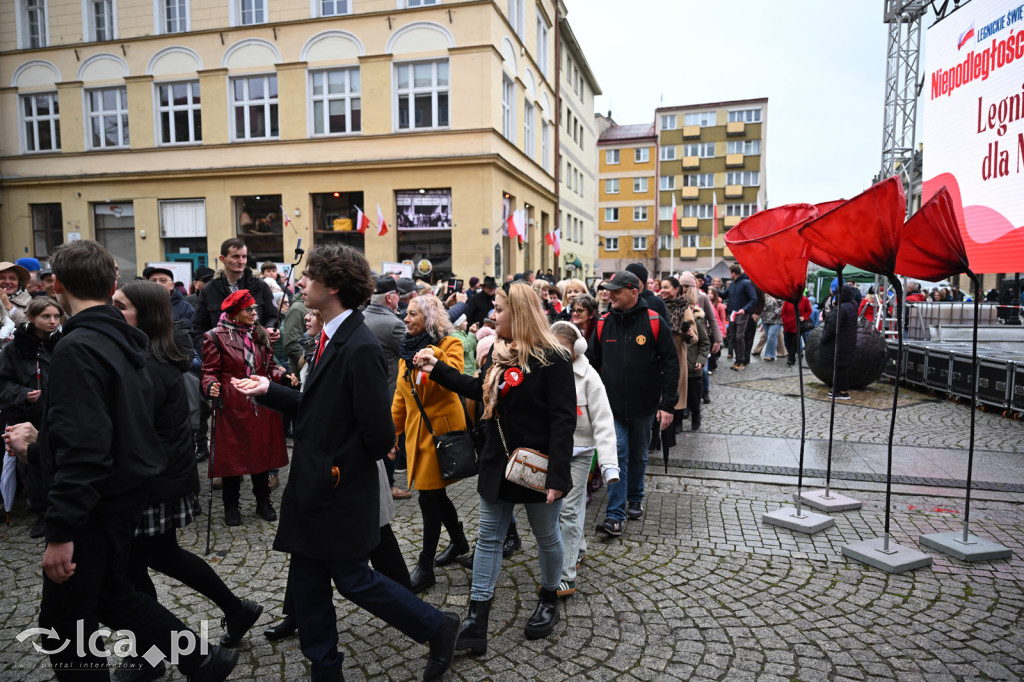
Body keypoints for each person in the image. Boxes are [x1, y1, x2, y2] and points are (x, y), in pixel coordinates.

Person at [7, 240, 237, 681]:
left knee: (66, 625)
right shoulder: (121, 340)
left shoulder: (80, 347)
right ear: (111, 283)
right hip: (121, 496)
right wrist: (43, 442)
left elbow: (87, 446)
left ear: (56, 285)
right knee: (112, 595)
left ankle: (201, 660)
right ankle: (202, 659)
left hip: (95, 503)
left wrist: (61, 529)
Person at [232, 243, 460, 682]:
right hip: (313, 482)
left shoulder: (359, 346)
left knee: (353, 579)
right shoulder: (330, 336)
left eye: (310, 277)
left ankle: (439, 626)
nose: (301, 283)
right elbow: (319, 407)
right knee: (308, 579)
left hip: (334, 485)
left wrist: (334, 467)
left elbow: (376, 436)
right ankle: (326, 668)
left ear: (333, 287)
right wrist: (270, 390)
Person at [112, 282, 262, 681]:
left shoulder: (146, 360)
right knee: (159, 556)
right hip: (161, 478)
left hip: (150, 481)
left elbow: (138, 431)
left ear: (144, 314)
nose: (113, 311)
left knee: (130, 570)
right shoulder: (152, 354)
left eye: (120, 306)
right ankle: (236, 609)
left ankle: (149, 655)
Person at [415, 282, 575, 651]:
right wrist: (437, 368)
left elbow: (563, 421)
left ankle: (549, 598)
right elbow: (479, 390)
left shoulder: (554, 358)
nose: (493, 315)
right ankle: (476, 620)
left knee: (546, 537)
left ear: (518, 313)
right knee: (488, 539)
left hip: (536, 468)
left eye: (499, 310)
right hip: (496, 462)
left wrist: (558, 477)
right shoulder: (498, 354)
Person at [587, 271, 678, 537]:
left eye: (616, 290)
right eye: (608, 290)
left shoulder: (654, 322)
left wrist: (668, 405)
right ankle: (615, 515)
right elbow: (591, 363)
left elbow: (670, 366)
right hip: (612, 408)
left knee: (638, 455)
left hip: (645, 406)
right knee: (617, 453)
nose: (609, 294)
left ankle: (635, 497)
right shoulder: (604, 324)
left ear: (633, 292)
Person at [391, 295, 470, 592]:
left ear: (429, 318)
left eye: (412, 315)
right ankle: (459, 540)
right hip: (416, 434)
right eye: (406, 314)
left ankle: (424, 567)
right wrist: (391, 435)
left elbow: (454, 378)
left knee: (428, 498)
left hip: (440, 433)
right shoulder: (404, 349)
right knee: (433, 495)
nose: (406, 319)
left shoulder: (450, 343)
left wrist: (432, 353)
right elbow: (401, 397)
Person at [201, 289, 292, 526]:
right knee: (233, 456)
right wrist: (210, 384)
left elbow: (269, 365)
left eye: (255, 308)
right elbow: (209, 370)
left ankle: (263, 501)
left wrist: (281, 377)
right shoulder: (215, 336)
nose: (254, 313)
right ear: (234, 313)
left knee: (261, 454)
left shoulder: (259, 332)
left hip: (261, 401)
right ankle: (231, 506)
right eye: (248, 309)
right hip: (233, 402)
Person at [549, 321, 618, 598]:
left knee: (569, 510)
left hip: (580, 453)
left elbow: (603, 422)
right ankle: (578, 549)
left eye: (563, 349)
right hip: (554, 451)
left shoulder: (589, 378)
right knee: (562, 510)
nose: (558, 354)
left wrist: (609, 464)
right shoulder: (548, 372)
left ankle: (565, 575)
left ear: (578, 348)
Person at [0, 296, 62, 538]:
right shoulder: (15, 349)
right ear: (31, 317)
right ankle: (42, 514)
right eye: (46, 316)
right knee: (32, 468)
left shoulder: (63, 343)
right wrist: (23, 394)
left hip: (57, 414)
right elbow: (3, 383)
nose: (52, 321)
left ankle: (60, 510)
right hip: (27, 416)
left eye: (56, 317)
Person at [365, 277, 411, 499]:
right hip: (390, 393)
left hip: (368, 391)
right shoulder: (394, 324)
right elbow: (410, 351)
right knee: (391, 440)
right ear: (390, 297)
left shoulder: (362, 317)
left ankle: (377, 483)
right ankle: (389, 485)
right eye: (398, 296)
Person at [192, 238, 279, 354]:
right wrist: (208, 352)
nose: (241, 261)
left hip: (257, 354)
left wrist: (270, 327)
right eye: (235, 256)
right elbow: (199, 327)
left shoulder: (260, 286)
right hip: (222, 357)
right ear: (222, 259)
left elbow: (273, 316)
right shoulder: (209, 290)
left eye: (244, 256)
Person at [659, 277, 696, 432]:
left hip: (676, 352)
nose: (662, 290)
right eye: (661, 287)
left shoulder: (684, 308)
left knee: (675, 389)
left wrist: (687, 332)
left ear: (676, 289)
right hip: (659, 352)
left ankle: (675, 424)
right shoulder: (658, 305)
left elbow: (694, 338)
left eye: (666, 287)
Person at [819, 285, 858, 399]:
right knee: (842, 367)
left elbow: (832, 327)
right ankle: (841, 390)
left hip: (839, 343)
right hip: (847, 341)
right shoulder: (852, 305)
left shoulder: (841, 310)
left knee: (839, 368)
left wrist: (824, 339)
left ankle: (840, 391)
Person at [681, 285, 711, 431]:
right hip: (680, 367)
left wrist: (700, 360)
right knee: (679, 397)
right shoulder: (678, 322)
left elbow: (705, 344)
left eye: (691, 306)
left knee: (694, 397)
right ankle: (678, 421)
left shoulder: (698, 323)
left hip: (693, 367)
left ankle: (696, 415)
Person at [725, 264, 757, 371]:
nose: (729, 274)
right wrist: (713, 291)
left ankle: (741, 360)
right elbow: (725, 294)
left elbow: (754, 299)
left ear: (734, 273)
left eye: (730, 272)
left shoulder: (746, 283)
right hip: (732, 314)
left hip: (741, 314)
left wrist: (745, 309)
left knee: (739, 337)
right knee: (733, 337)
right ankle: (737, 360)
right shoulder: (732, 285)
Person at [0, 261, 33, 326]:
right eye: (2, 278)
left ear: (19, 283)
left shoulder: (28, 301)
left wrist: (8, 305)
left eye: (12, 278)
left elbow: (28, 326)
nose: (7, 282)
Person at [760, 294, 783, 362]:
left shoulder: (779, 295)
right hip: (765, 319)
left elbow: (783, 305)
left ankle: (769, 355)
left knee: (771, 336)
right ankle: (772, 353)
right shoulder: (764, 296)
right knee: (768, 337)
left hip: (776, 319)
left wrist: (776, 313)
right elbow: (760, 305)